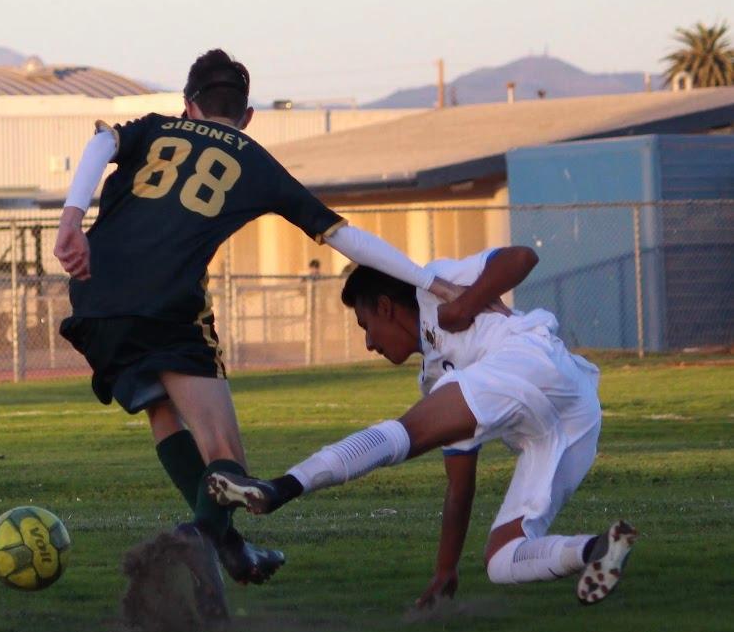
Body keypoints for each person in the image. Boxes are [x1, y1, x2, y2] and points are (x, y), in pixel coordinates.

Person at [53, 49, 462, 593]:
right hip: (166, 301)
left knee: (162, 412)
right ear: (247, 116)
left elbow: (103, 139)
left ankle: (231, 547)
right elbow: (342, 236)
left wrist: (72, 218)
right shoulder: (254, 158)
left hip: (93, 293)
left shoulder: (156, 129)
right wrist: (430, 282)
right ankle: (199, 539)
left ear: (189, 106)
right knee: (225, 455)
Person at [208, 247, 638, 607]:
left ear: (385, 307)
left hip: (533, 362)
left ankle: (280, 487)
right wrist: (445, 569)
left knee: (403, 434)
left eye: (365, 326)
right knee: (502, 560)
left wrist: (464, 306)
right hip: (572, 421)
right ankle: (595, 550)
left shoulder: (435, 284)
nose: (369, 342)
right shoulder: (436, 378)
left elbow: (521, 256)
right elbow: (459, 486)